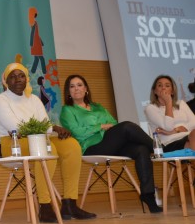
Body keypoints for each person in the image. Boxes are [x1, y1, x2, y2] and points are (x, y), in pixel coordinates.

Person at [0, 63, 96, 223]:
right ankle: (45, 206)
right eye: (12, 76)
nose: (17, 79)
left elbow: (44, 123)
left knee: (72, 146)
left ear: (27, 79)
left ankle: (69, 203)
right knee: (47, 148)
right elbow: (16, 127)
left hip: (37, 138)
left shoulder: (33, 99)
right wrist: (51, 127)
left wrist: (52, 128)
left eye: (21, 76)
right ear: (6, 81)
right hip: (11, 144)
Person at [59, 75, 161, 213]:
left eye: (79, 85)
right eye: (72, 86)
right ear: (68, 92)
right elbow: (77, 132)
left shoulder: (97, 107)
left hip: (110, 143)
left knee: (141, 149)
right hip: (91, 147)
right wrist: (100, 126)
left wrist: (107, 127)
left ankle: (148, 195)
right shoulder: (67, 110)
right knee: (126, 127)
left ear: (86, 88)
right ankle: (160, 150)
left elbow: (112, 123)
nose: (76, 88)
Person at [144, 75, 195, 153]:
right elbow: (168, 127)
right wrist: (168, 102)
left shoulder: (180, 103)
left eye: (167, 86)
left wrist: (176, 130)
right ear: (155, 91)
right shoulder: (150, 108)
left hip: (189, 138)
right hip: (169, 143)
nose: (163, 88)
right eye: (160, 85)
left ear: (172, 91)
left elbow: (194, 122)